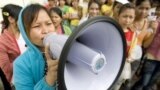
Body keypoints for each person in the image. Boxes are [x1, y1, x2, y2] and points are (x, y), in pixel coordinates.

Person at [13, 4, 58, 90]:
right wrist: (50, 78)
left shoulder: (63, 49)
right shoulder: (21, 64)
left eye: (49, 23)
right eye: (37, 26)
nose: (46, 31)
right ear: (25, 33)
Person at [113, 3, 144, 90]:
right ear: (118, 15)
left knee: (117, 85)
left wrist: (131, 57)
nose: (127, 20)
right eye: (125, 16)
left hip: (122, 65)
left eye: (131, 17)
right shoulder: (112, 28)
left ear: (134, 18)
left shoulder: (133, 34)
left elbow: (133, 49)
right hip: (110, 63)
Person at [0, 4, 26, 85]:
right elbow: (7, 69)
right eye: (22, 18)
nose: (25, 20)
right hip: (18, 82)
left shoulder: (26, 34)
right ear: (11, 19)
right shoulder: (2, 42)